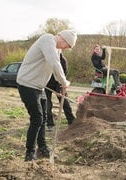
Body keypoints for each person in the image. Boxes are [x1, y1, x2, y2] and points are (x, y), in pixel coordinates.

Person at [17, 29, 77, 161]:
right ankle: (29, 153)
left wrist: (60, 85)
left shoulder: (57, 49)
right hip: (27, 84)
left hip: (39, 87)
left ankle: (42, 149)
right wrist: (64, 81)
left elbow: (56, 70)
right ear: (64, 39)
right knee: (37, 118)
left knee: (43, 118)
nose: (67, 48)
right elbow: (54, 63)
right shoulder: (47, 39)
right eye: (68, 45)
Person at [45, 53, 76, 131]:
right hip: (47, 84)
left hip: (59, 83)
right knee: (47, 105)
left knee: (65, 102)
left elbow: (63, 75)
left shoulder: (63, 61)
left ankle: (71, 121)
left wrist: (59, 89)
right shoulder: (47, 58)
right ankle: (50, 124)